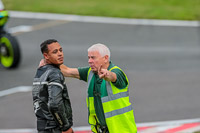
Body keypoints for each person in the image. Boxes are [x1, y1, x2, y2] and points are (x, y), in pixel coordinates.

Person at [59, 43, 137, 133]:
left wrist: (107, 75)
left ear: (106, 58)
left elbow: (113, 76)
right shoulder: (90, 72)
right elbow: (68, 71)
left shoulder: (117, 72)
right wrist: (49, 62)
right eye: (89, 57)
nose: (89, 61)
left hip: (122, 130)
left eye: (93, 57)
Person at [32, 39, 74, 133]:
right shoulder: (55, 73)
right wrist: (65, 127)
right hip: (55, 128)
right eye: (55, 52)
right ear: (46, 56)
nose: (60, 54)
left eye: (60, 50)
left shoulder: (40, 72)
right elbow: (54, 104)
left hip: (42, 126)